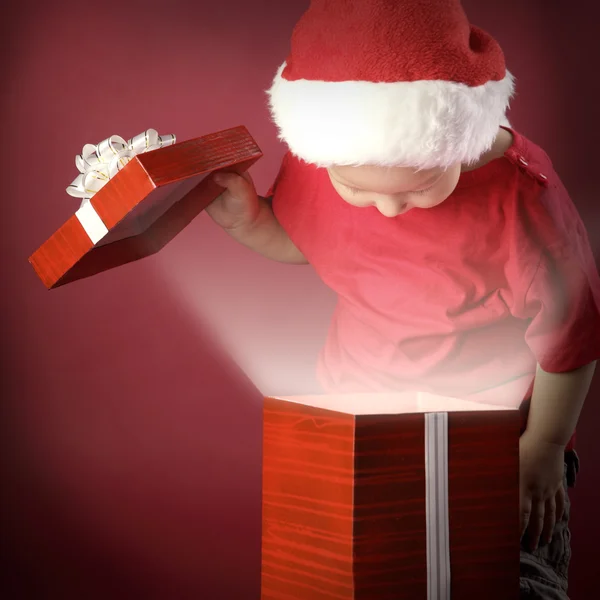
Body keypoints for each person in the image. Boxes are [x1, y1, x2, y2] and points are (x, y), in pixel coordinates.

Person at [205, 0, 600, 597]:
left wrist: (541, 448)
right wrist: (251, 223)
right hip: (361, 421)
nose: (388, 210)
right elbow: (312, 243)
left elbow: (572, 339)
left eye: (418, 187)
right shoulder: (326, 155)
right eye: (357, 189)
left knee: (497, 580)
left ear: (458, 141)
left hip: (499, 441)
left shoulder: (524, 201)